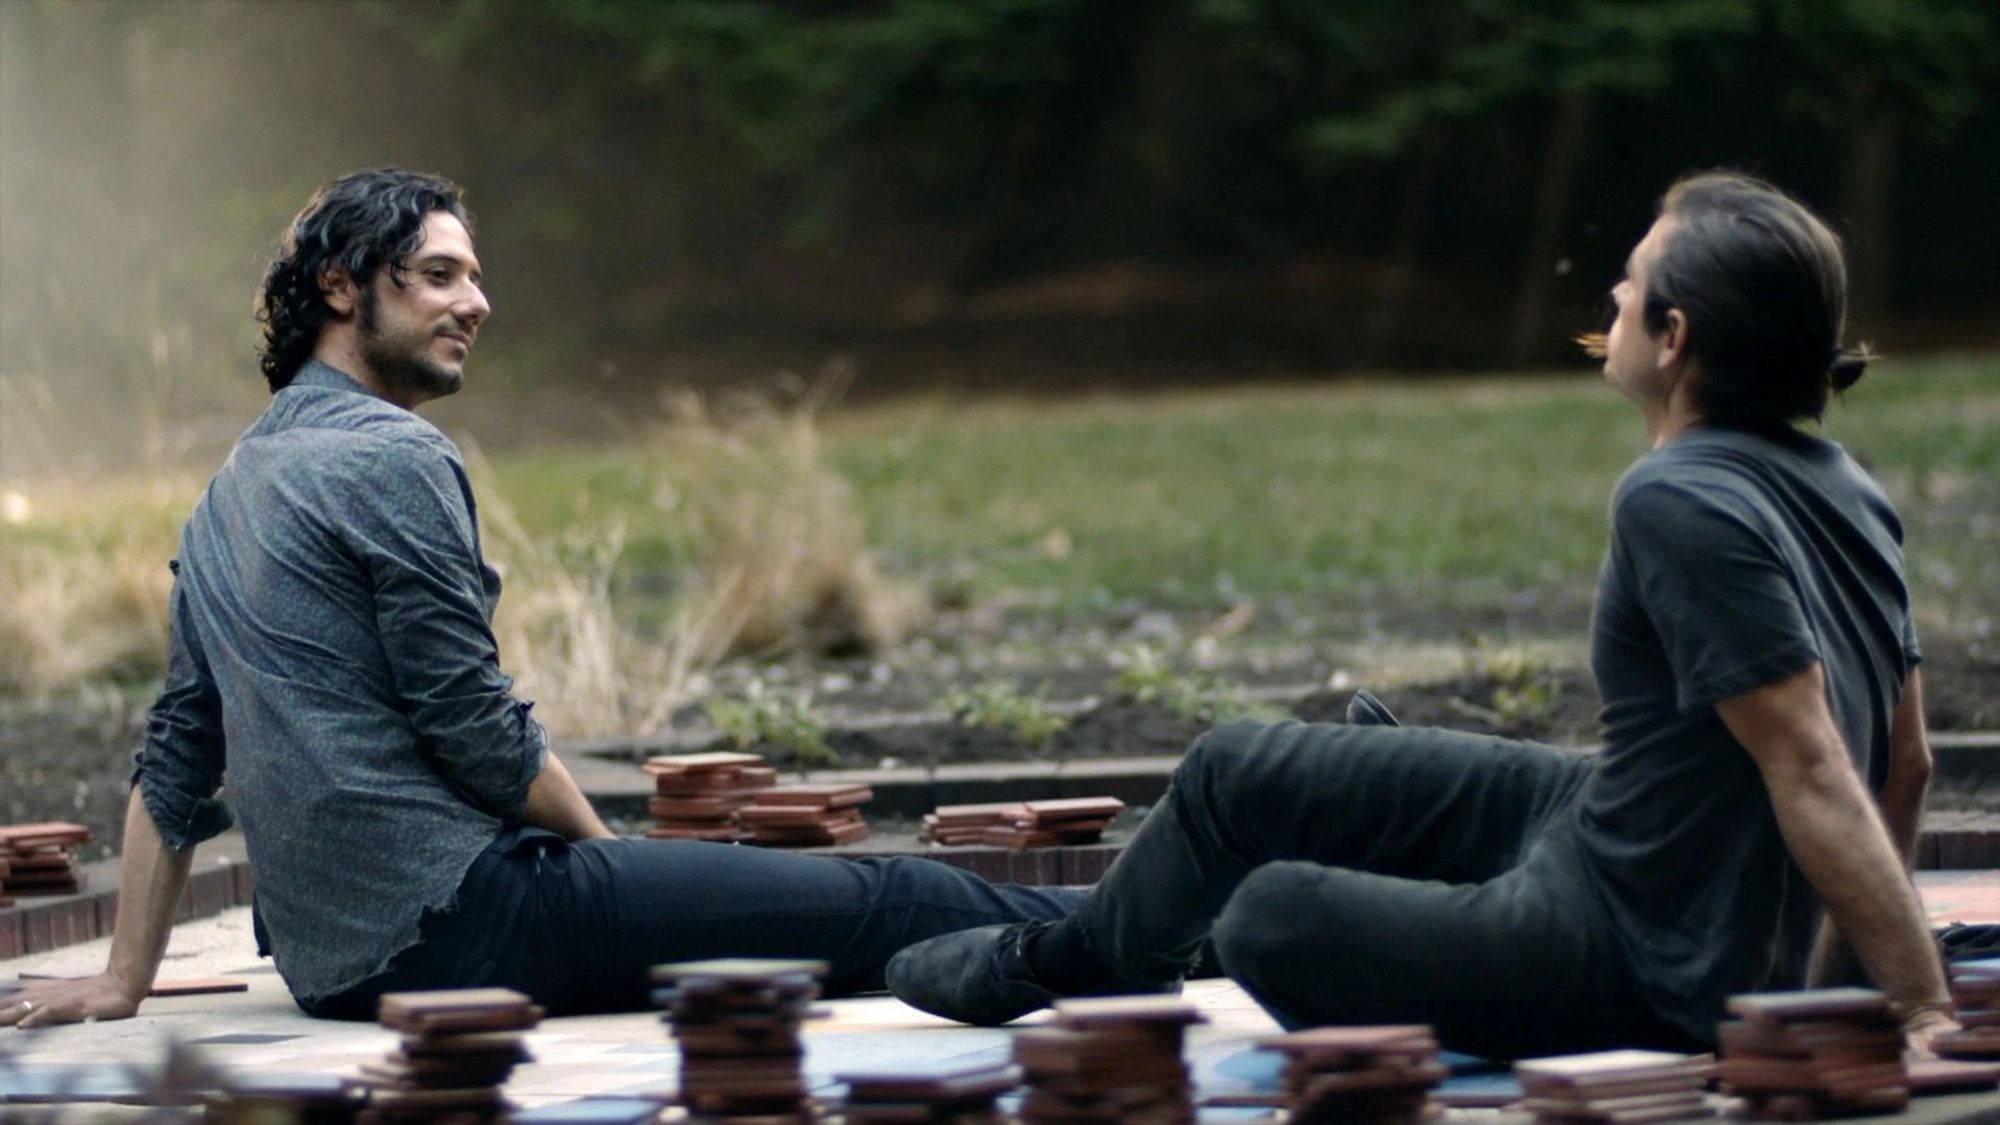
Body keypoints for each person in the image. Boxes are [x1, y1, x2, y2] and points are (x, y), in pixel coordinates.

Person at [884, 172, 1956, 1059]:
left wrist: (1907, 1010)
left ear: (1673, 337)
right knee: (1234, 771)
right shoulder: (1843, 482)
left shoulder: (1673, 498)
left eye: (1626, 293)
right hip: (1608, 831)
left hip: (1637, 951)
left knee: (1266, 911)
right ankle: (1086, 962)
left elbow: (1816, 763)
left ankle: (1155, 944)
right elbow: (1903, 764)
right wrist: (1838, 985)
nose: (1608, 309)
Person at [0, 169, 1076, 1030]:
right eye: (436, 274)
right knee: (876, 902)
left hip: (339, 970)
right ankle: (1167, 927)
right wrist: (612, 863)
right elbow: (470, 726)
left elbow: (178, 751)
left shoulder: (228, 488)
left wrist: (121, 980)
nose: (476, 302)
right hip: (466, 923)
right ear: (341, 285)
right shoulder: (390, 456)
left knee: (808, 921)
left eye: (472, 276)